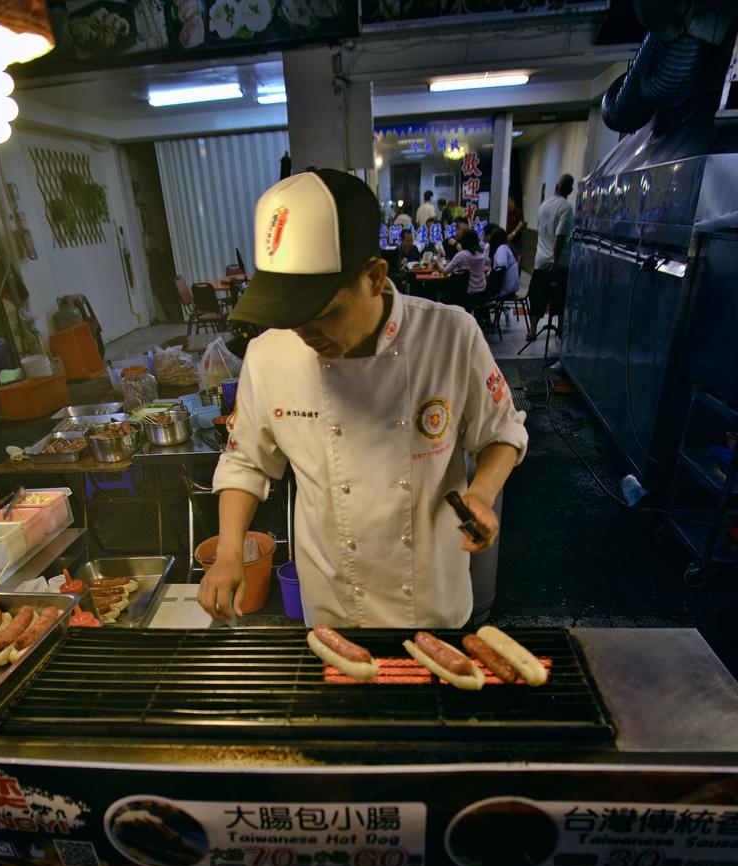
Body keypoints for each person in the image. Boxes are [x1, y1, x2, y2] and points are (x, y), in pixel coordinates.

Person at [199, 168, 527, 629]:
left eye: (323, 313)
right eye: (291, 316)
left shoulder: (451, 335)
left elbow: (503, 430)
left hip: (430, 599)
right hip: (333, 603)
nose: (304, 333)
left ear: (374, 277)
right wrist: (230, 550)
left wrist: (482, 493)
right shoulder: (269, 354)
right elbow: (246, 461)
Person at [527, 173, 574, 342]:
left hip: (540, 261)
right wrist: (555, 258)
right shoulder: (566, 208)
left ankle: (532, 331)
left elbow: (542, 232)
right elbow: (560, 237)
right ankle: (559, 328)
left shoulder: (544, 205)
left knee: (537, 296)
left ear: (556, 187)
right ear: (570, 189)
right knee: (559, 299)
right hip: (557, 264)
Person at [442, 229, 487, 304]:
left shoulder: (462, 255)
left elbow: (445, 271)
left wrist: (439, 263)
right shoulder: (482, 254)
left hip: (466, 295)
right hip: (482, 293)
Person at [485, 225, 520, 298]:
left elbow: (499, 271)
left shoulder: (501, 250)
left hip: (505, 292)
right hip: (511, 289)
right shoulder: (506, 247)